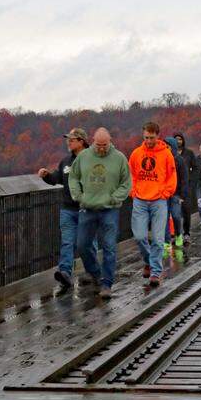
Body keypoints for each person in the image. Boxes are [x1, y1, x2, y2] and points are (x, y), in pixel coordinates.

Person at [69, 128, 131, 299]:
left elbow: (126, 182)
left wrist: (114, 198)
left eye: (105, 145)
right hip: (87, 208)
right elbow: (73, 177)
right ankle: (96, 273)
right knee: (82, 244)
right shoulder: (83, 156)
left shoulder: (119, 158)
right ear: (93, 142)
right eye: (98, 145)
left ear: (110, 141)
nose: (101, 148)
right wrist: (78, 195)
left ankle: (107, 284)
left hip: (109, 209)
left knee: (109, 246)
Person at [38, 127, 89, 291]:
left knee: (86, 243)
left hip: (87, 209)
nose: (68, 142)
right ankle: (65, 273)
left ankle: (92, 271)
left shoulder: (92, 159)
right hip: (67, 209)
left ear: (81, 142)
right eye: (68, 140)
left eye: (72, 140)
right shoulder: (66, 161)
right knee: (67, 242)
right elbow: (56, 179)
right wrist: (46, 175)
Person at [128, 121, 177, 287]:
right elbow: (131, 174)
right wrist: (133, 191)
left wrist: (166, 193)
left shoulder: (166, 154)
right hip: (140, 200)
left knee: (157, 238)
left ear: (157, 136)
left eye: (151, 137)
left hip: (159, 201)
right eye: (146, 138)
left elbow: (172, 175)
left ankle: (155, 272)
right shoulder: (136, 153)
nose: (148, 141)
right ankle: (148, 260)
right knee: (140, 236)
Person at [174, 133, 199, 243]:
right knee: (175, 213)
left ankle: (186, 233)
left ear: (183, 141)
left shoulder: (189, 153)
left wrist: (191, 182)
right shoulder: (170, 153)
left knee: (186, 210)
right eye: (176, 139)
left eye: (180, 139)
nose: (178, 141)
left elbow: (195, 168)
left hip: (186, 187)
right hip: (174, 187)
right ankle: (177, 234)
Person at [164, 138, 188, 250]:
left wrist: (183, 195)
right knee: (164, 218)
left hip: (176, 193)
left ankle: (178, 234)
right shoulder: (161, 159)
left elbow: (184, 178)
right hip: (163, 194)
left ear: (172, 147)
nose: (166, 148)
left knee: (176, 215)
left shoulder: (179, 160)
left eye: (168, 146)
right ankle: (166, 240)